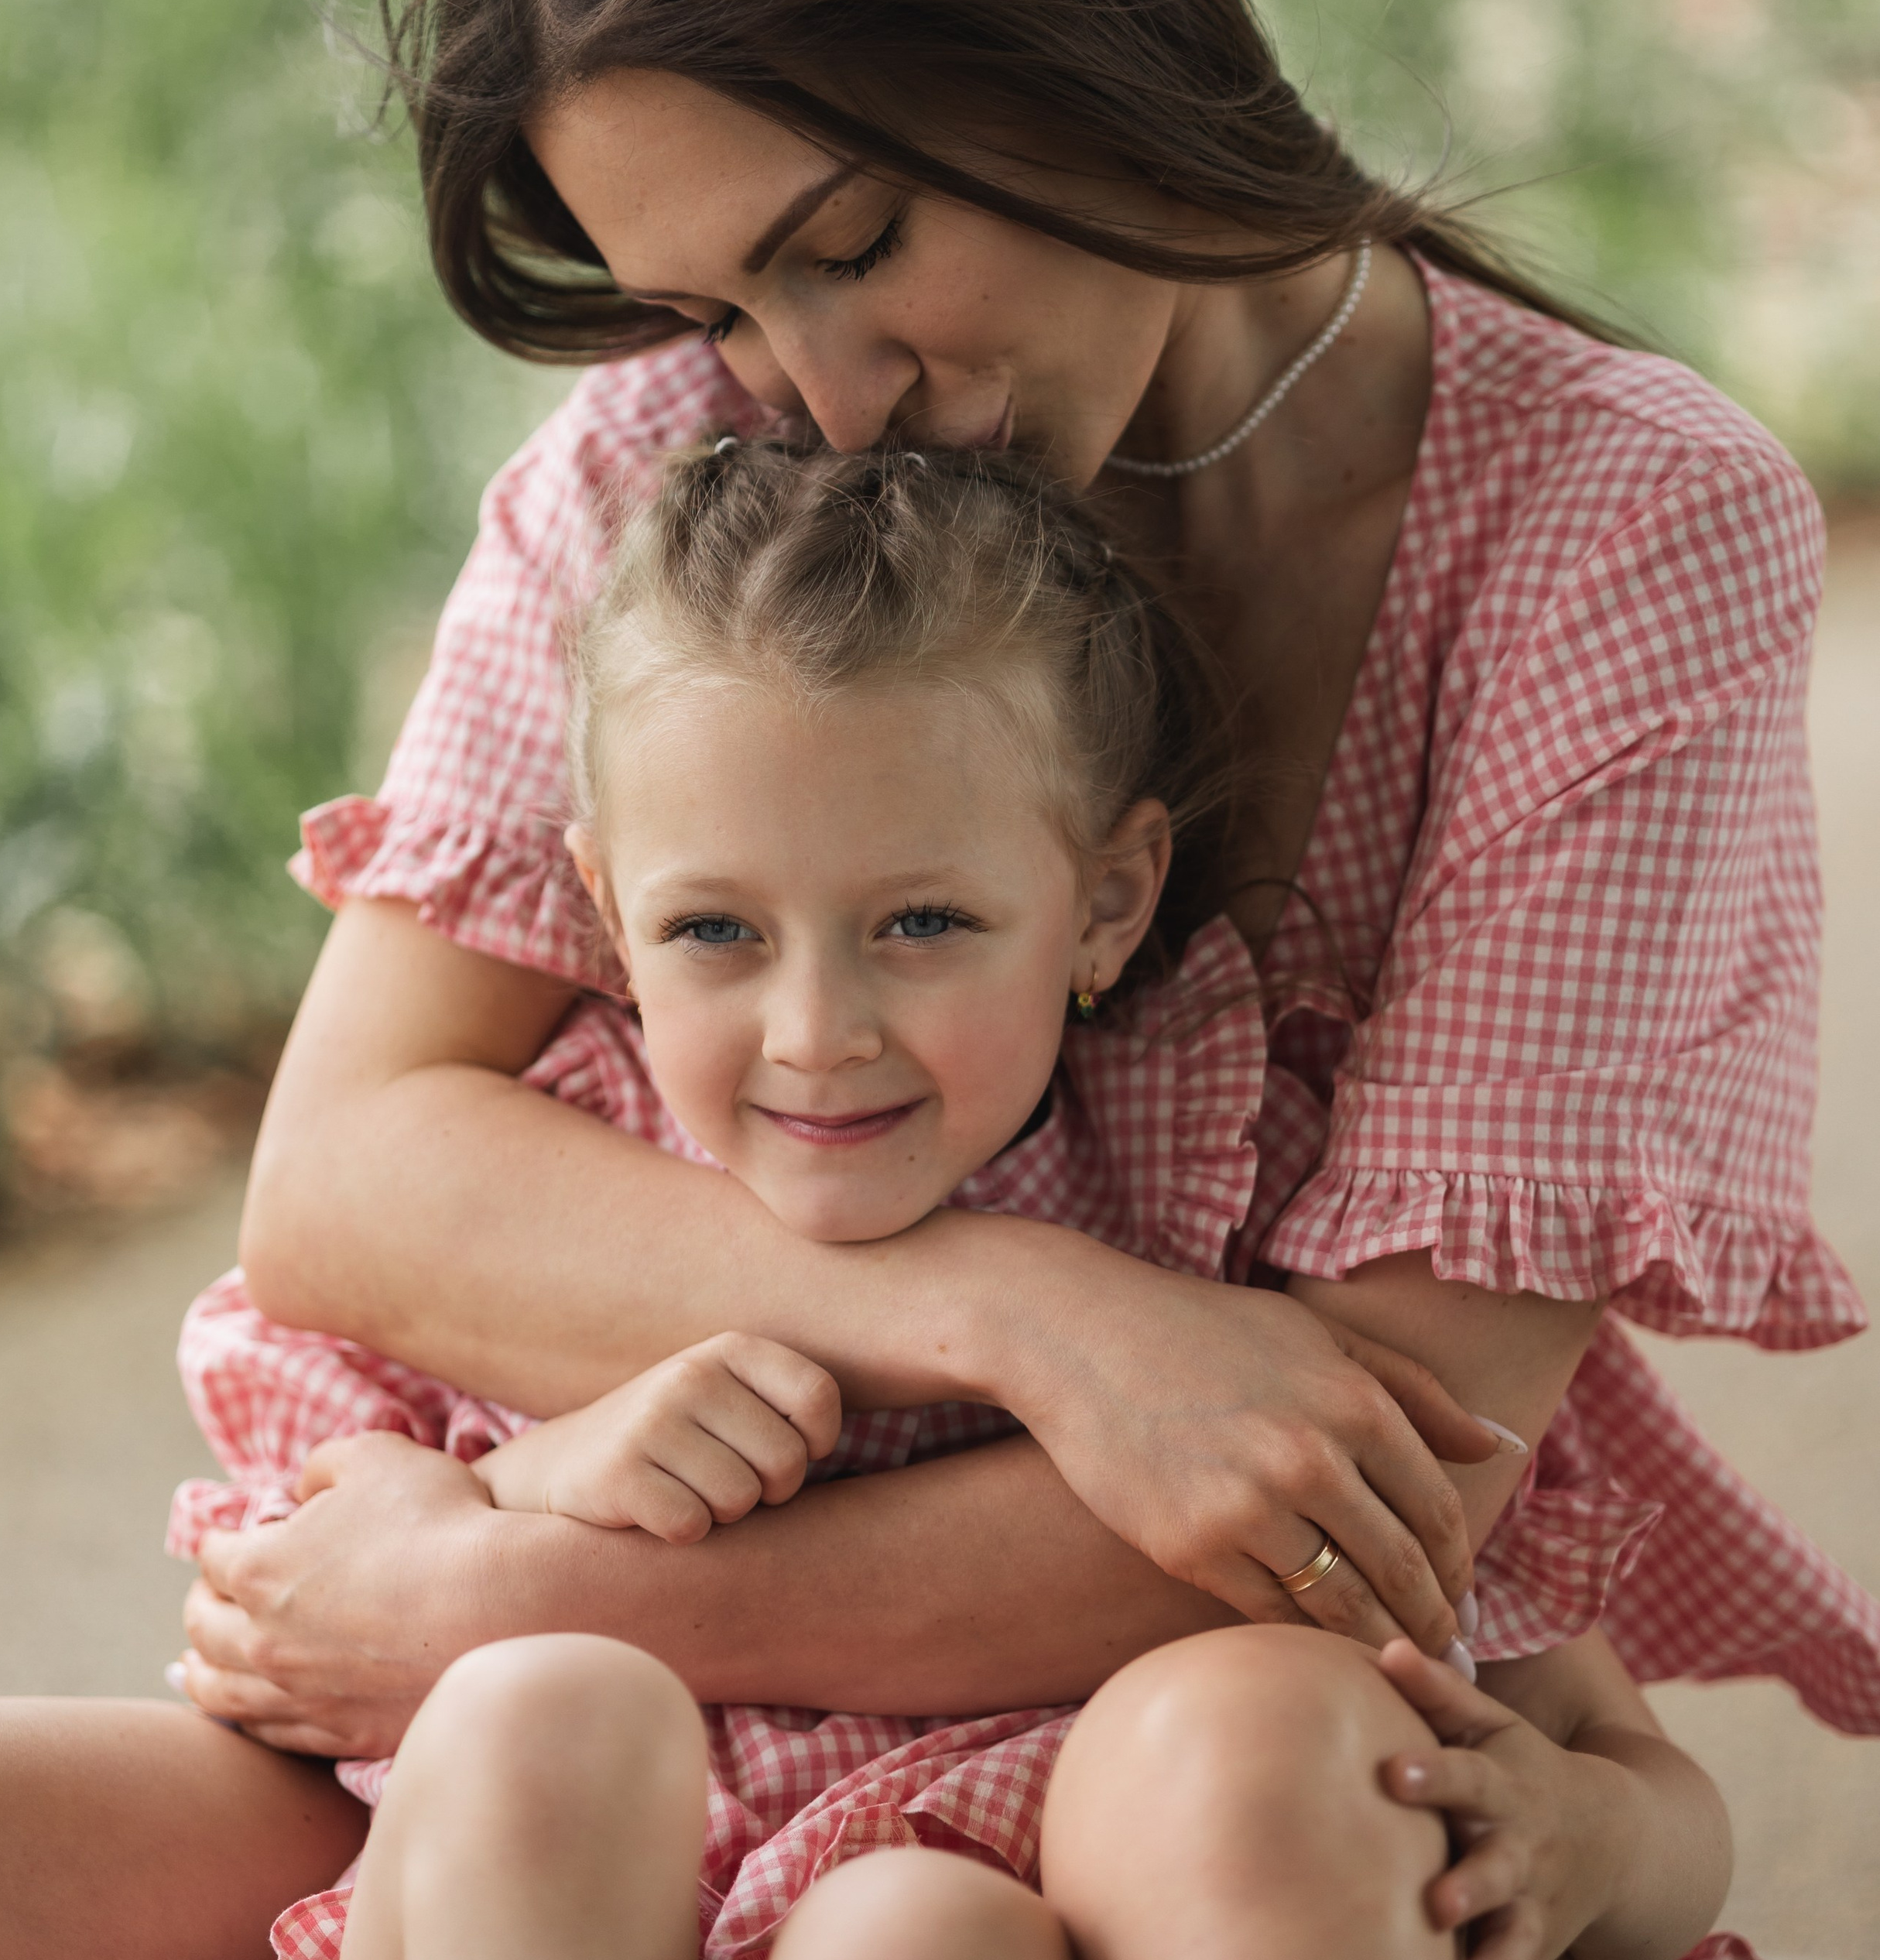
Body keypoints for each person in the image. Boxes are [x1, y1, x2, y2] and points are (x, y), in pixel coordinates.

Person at [0, 0, 1877, 1954]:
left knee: (1221, 1808)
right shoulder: (690, 455)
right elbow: (344, 1183)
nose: (823, 399)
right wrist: (1032, 1313)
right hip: (599, 1754)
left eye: (848, 244)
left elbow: (1358, 1498)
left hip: (1111, 1758)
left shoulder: (1612, 534)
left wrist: (515, 1595)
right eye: (720, 311)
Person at [172, 440, 1735, 1960]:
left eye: (920, 918)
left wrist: (1595, 1835)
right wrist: (537, 1482)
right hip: (584, 1868)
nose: (814, 1032)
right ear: (602, 907)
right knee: (534, 1709)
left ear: (1106, 903)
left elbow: (1591, 1732)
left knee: (919, 1926)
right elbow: (310, 1584)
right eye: (713, 928)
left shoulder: (1214, 1220)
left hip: (999, 1872)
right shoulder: (561, 1187)